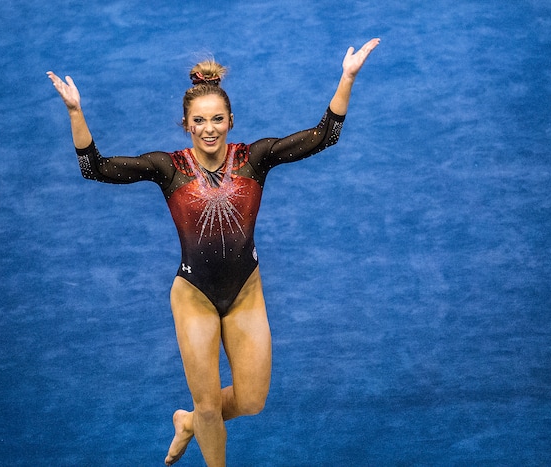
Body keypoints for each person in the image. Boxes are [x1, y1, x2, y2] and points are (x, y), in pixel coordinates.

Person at [47, 37, 379, 467]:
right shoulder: (169, 168)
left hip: (245, 293)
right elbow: (95, 168)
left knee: (252, 401)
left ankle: (187, 423)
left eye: (217, 119)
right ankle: (202, 430)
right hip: (195, 296)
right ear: (186, 124)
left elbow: (324, 136)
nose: (209, 129)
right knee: (208, 406)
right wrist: (76, 111)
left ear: (231, 121)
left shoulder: (254, 159)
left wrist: (347, 77)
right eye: (199, 121)